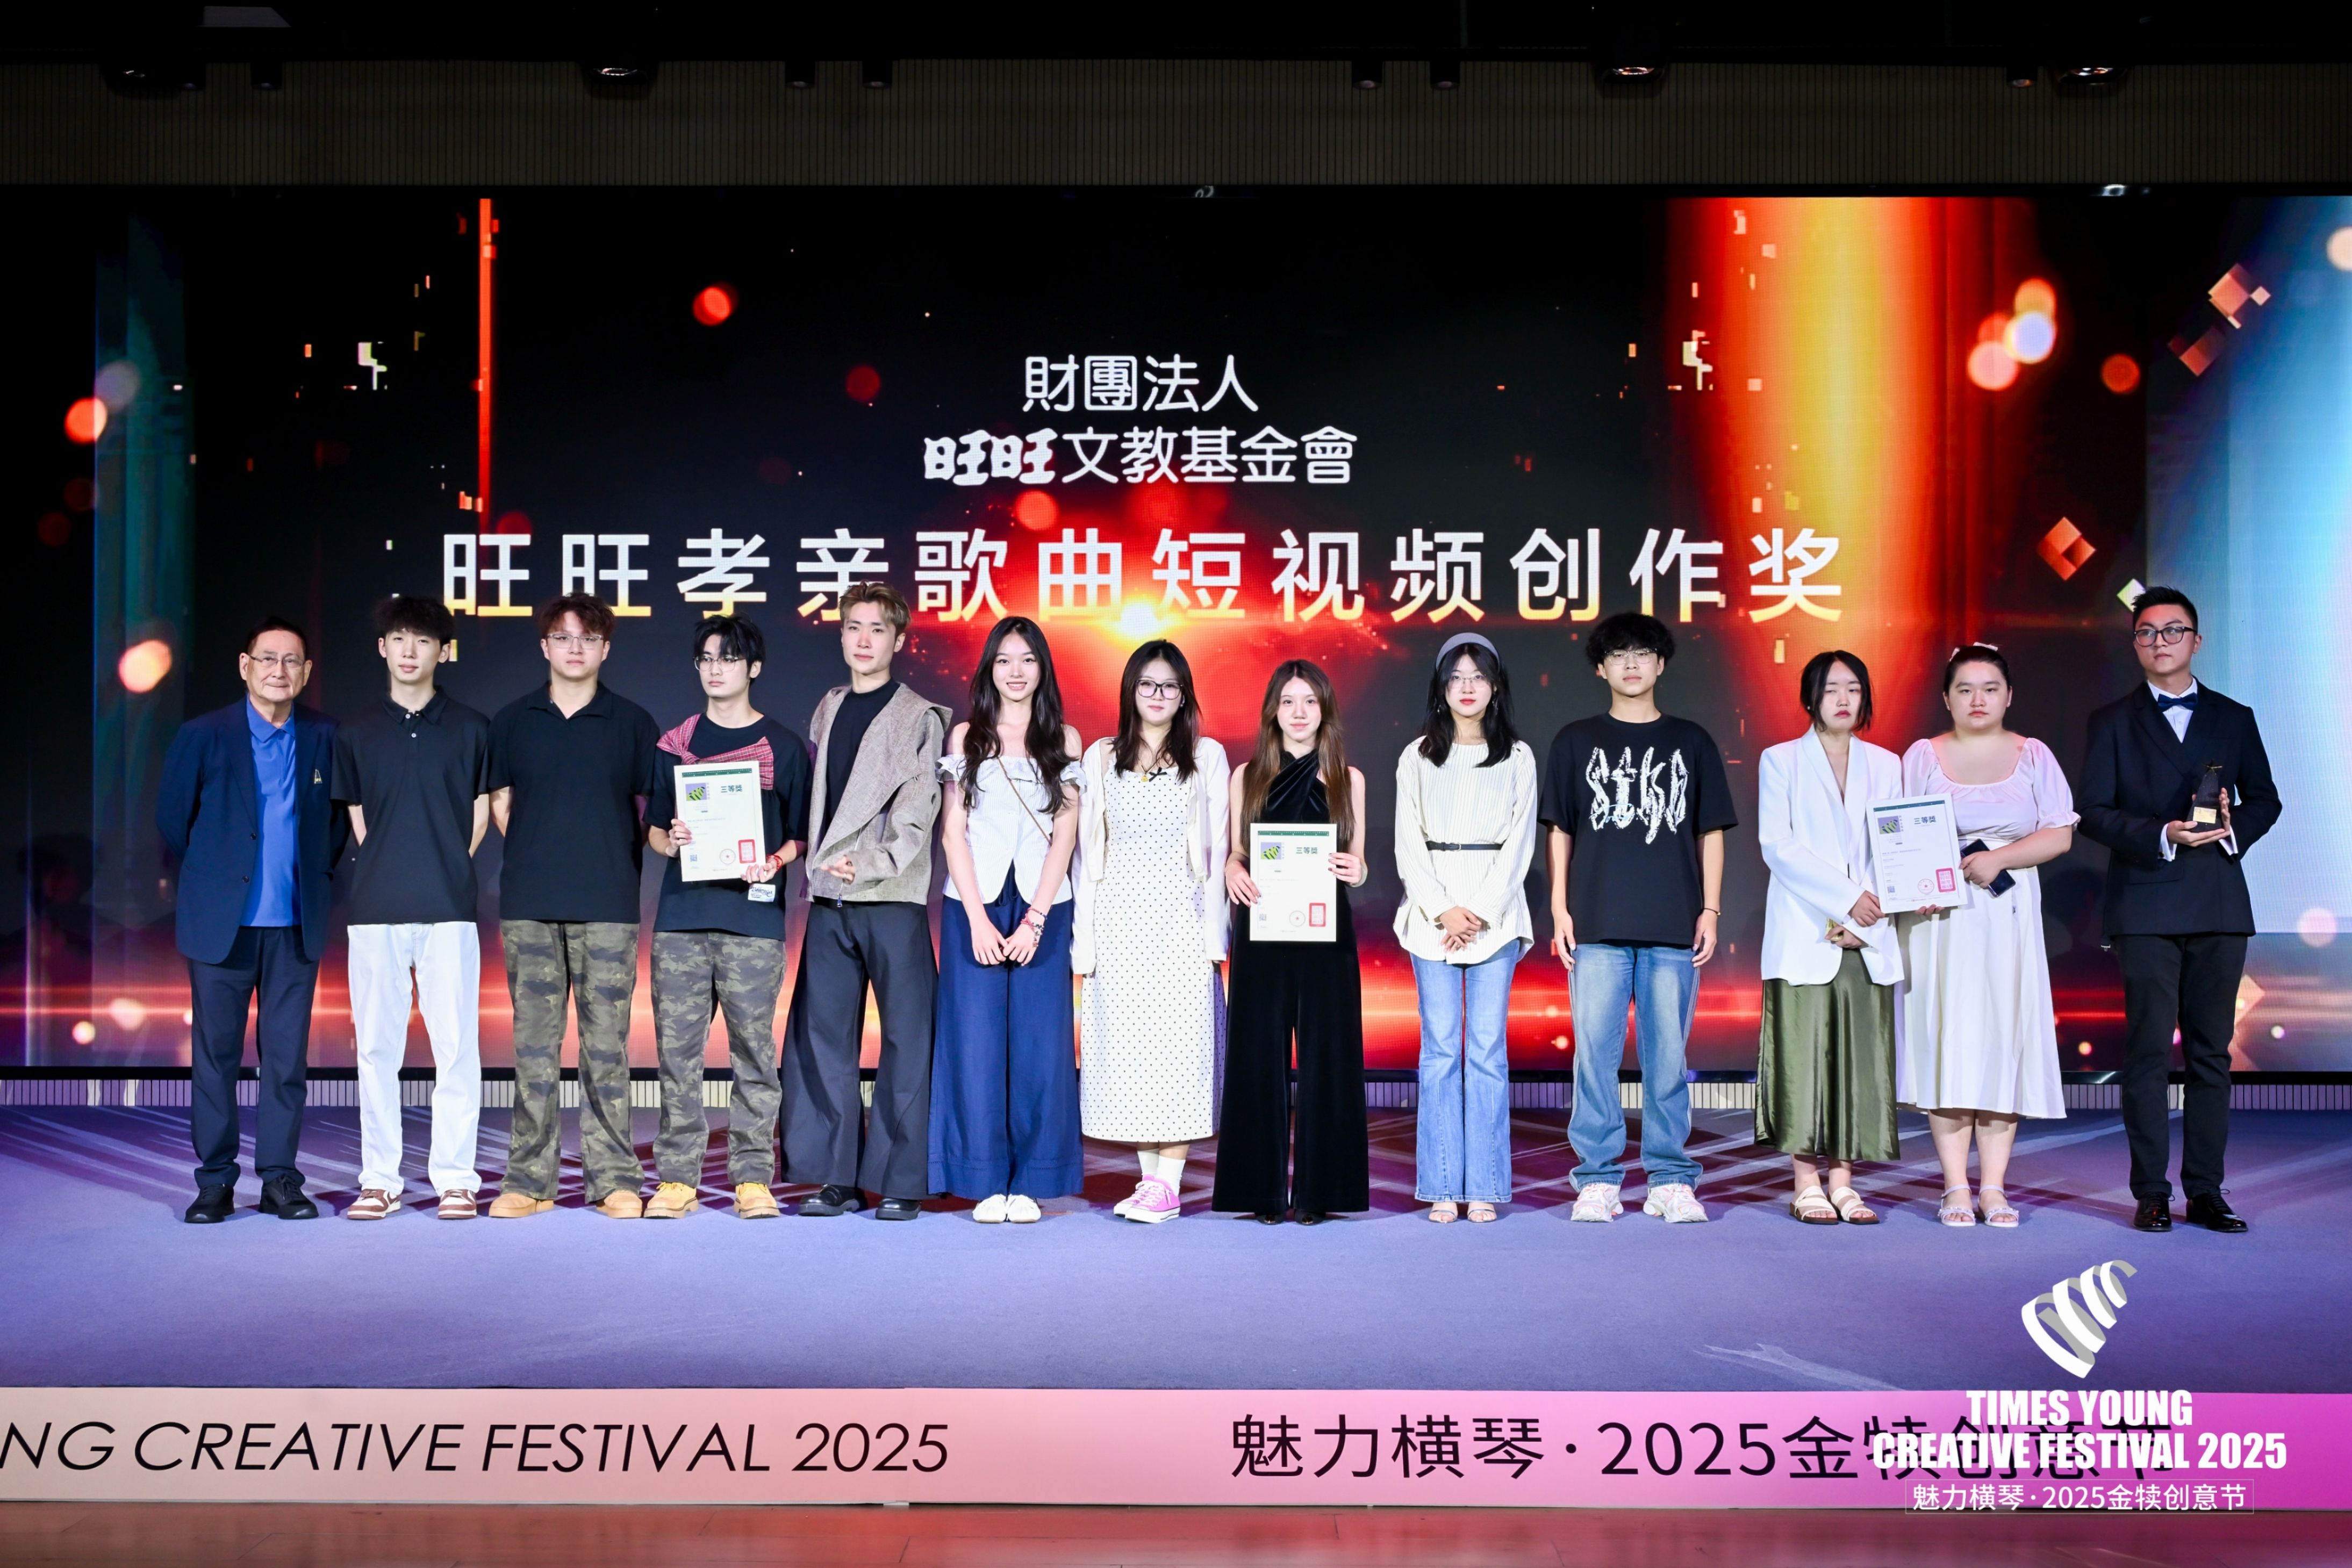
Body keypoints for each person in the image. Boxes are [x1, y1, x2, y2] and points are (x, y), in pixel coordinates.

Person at [2077, 587, 2281, 1234]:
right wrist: (2161, 833)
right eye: (2146, 631)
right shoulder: (2111, 720)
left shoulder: (2233, 716)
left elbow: (2265, 798)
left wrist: (2229, 828)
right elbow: (2093, 811)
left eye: (2172, 630)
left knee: (2209, 1054)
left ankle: (2206, 1190)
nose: (2159, 641)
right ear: (2134, 643)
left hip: (2217, 899)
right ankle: (2150, 1191)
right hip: (2144, 901)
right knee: (2146, 1052)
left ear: (2196, 640)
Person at [1543, 612, 1737, 1225]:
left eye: (1642, 653)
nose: (1631, 664)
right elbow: (1560, 830)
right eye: (1618, 655)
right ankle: (1597, 1178)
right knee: (1593, 1059)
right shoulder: (1574, 741)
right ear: (1600, 669)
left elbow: (1710, 831)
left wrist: (1709, 909)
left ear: (1661, 664)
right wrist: (1559, 907)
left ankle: (1669, 1178)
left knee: (1667, 1059)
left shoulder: (1692, 741)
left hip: (1672, 924)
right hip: (1595, 924)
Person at [157, 616, 346, 1224]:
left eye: (291, 661)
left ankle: (280, 1180)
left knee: (286, 1062)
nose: (278, 671)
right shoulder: (203, 734)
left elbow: (336, 826)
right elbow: (173, 822)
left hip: (295, 925)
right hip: (223, 926)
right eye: (267, 658)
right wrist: (219, 877)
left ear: (307, 672)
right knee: (215, 1059)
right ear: (245, 666)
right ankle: (215, 1181)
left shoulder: (326, 735)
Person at [485, 594, 660, 1220]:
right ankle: (528, 1180)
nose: (575, 647)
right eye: (562, 637)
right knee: (533, 1048)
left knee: (606, 1048)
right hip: (530, 904)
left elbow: (651, 812)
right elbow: (499, 801)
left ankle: (613, 1179)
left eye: (587, 638)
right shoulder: (512, 720)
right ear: (545, 646)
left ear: (605, 648)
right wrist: (543, 851)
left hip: (608, 903)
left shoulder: (633, 722)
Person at [781, 582, 951, 1221]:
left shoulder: (920, 716)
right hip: (830, 895)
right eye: (854, 626)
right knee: (824, 1038)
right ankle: (838, 1177)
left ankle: (902, 1179)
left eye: (877, 628)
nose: (863, 638)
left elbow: (918, 813)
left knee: (907, 1038)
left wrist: (871, 862)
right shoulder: (829, 705)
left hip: (890, 895)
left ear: (898, 639)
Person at [1896, 644, 2076, 1228]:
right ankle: (1954, 1185)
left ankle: (1994, 1187)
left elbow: (2059, 834)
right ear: (1946, 698)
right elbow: (1897, 832)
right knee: (1946, 1040)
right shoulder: (1922, 755)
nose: (1978, 699)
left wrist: (1999, 858)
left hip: (2007, 914)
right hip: (1937, 918)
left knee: (2003, 1038)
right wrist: (1915, 883)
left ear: (2008, 695)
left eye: (1990, 688)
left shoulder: (2034, 755)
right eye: (1965, 689)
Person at [642, 615, 812, 1220]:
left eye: (729, 657)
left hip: (752, 924)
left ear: (753, 668)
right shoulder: (675, 743)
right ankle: (677, 1179)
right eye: (706, 658)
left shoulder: (783, 747)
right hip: (681, 921)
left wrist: (776, 860)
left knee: (754, 1057)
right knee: (677, 1057)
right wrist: (672, 840)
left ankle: (752, 1177)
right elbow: (654, 831)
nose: (715, 669)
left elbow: (801, 835)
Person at [333, 595, 491, 1222]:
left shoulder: (472, 727)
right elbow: (358, 818)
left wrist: (444, 863)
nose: (409, 650)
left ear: (443, 652)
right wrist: (393, 865)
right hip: (375, 907)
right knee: (376, 1049)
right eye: (398, 638)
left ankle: (456, 1179)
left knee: (456, 1048)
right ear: (382, 647)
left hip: (449, 906)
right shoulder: (356, 731)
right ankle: (379, 1179)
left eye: (423, 640)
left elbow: (479, 812)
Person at [930, 616, 1084, 1223]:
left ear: (1042, 668)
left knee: (1041, 1047)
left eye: (1027, 660)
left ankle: (1034, 1181)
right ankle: (983, 1179)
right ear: (988, 669)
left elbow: (1066, 833)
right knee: (973, 1044)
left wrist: (1036, 919)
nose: (1015, 672)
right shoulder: (966, 735)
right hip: (973, 902)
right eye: (1003, 660)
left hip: (1043, 905)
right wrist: (975, 918)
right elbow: (953, 831)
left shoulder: (1063, 738)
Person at [1072, 639, 1231, 1225]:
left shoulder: (1206, 756)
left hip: (1181, 924)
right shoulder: (1100, 756)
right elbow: (1086, 854)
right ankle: (1150, 1183)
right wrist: (1085, 939)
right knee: (1131, 1055)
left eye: (1169, 685)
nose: (1158, 695)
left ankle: (1168, 1183)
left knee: (1181, 1053)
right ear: (1130, 691)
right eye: (1147, 684)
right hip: (1118, 923)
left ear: (1184, 694)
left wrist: (1214, 935)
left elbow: (1218, 849)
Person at [1214, 659, 1370, 1225]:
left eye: (1309, 701)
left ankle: (1319, 1194)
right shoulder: (1246, 775)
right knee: (1257, 1056)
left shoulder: (1348, 778)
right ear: (1272, 711)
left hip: (1327, 933)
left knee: (1330, 1057)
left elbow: (1359, 861)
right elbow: (1236, 851)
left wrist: (1356, 870)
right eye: (1288, 701)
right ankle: (1260, 1192)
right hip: (1262, 927)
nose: (1299, 712)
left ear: (1324, 710)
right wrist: (1233, 868)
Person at [1753, 652, 1904, 1225]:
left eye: (1853, 688)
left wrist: (1866, 918)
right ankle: (1805, 1182)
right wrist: (1846, 900)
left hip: (1865, 933)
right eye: (1831, 688)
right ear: (1810, 697)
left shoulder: (1886, 764)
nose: (1843, 698)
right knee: (1802, 1059)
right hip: (1805, 930)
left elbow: (1896, 847)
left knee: (1857, 1061)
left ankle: (1844, 1182)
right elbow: (1779, 845)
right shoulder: (1780, 760)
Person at [1394, 634, 1538, 1225]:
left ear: (1495, 686)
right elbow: (1407, 841)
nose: (1467, 686)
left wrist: (1475, 910)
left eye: (1478, 676)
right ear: (1441, 688)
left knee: (1485, 1052)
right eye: (1456, 677)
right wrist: (1442, 910)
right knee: (1439, 1052)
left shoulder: (1517, 757)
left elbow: (1519, 843)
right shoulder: (1417, 756)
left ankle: (1483, 1185)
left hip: (1493, 918)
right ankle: (1440, 1185)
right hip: (1431, 915)